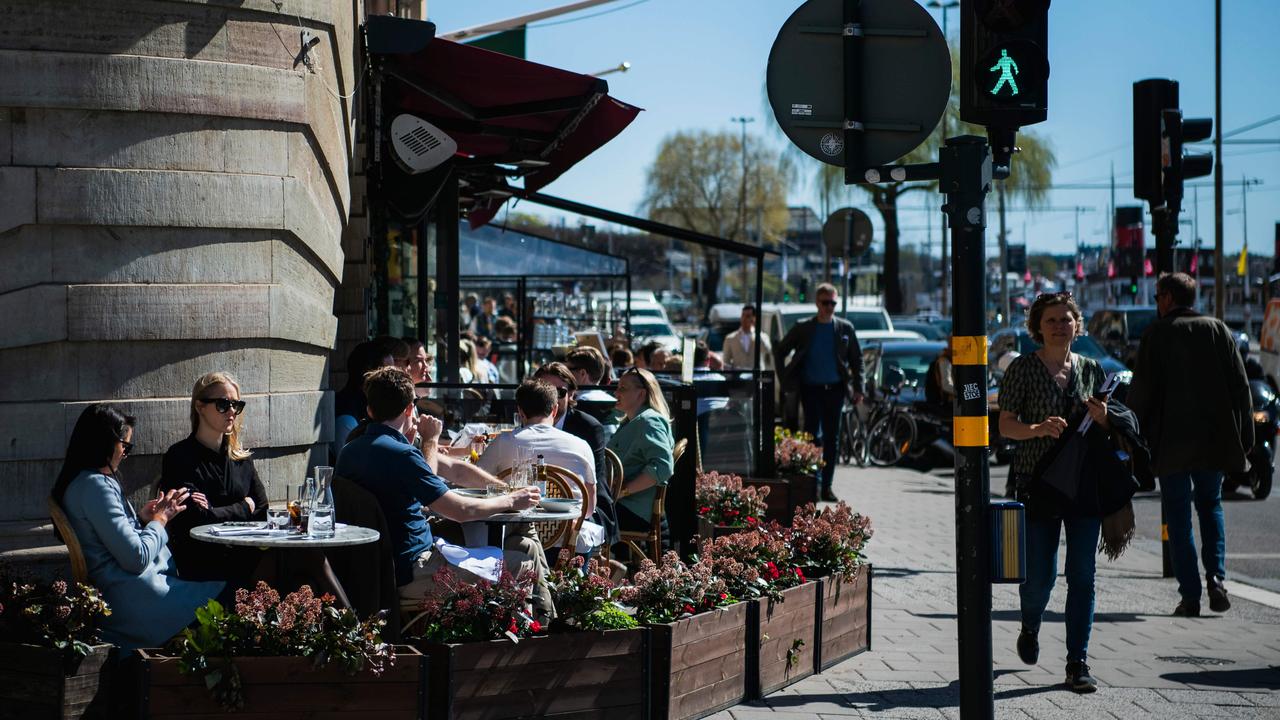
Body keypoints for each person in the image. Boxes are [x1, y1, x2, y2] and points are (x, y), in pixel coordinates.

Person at [335, 367, 551, 613]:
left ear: (369, 410)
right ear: (409, 409)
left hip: (373, 569)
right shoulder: (402, 454)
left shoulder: (349, 451)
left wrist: (505, 490)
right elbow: (460, 510)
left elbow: (455, 470)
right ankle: (533, 642)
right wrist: (511, 500)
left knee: (522, 548)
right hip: (414, 570)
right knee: (522, 563)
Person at [998, 292, 1109, 693]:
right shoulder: (1023, 370)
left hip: (1083, 486)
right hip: (1037, 483)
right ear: (1037, 328)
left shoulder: (1093, 370)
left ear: (1077, 325)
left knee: (1082, 575)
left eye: (1066, 319)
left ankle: (1077, 662)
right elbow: (1005, 426)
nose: (1060, 326)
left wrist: (1104, 418)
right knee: (1040, 577)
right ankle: (1030, 624)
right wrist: (1037, 429)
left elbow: (1107, 430)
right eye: (1051, 320)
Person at [1127, 272, 1252, 618]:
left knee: (1179, 518)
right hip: (1213, 441)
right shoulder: (1217, 330)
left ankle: (1190, 595)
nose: (1156, 304)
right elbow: (1241, 386)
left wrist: (1132, 440)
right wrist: (1246, 440)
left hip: (1171, 444)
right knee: (1210, 507)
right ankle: (1216, 578)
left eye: (1156, 297)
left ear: (1168, 297)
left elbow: (1141, 395)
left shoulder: (1157, 334)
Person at [53, 404, 223, 650]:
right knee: (231, 598)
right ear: (105, 443)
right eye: (125, 446)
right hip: (136, 601)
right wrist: (160, 520)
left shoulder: (82, 482)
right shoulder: (96, 486)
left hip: (128, 594)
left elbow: (107, 539)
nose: (125, 454)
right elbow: (136, 558)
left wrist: (141, 520)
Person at [159, 372, 269, 583]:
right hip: (204, 561)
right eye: (222, 404)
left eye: (236, 405)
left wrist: (215, 511)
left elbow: (263, 510)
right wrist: (244, 508)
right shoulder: (180, 457)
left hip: (244, 552)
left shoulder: (240, 458)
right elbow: (195, 519)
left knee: (300, 559)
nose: (231, 412)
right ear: (200, 406)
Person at [478, 380, 605, 556]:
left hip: (515, 543)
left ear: (520, 412)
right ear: (554, 409)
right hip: (568, 546)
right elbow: (589, 508)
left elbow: (477, 485)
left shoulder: (503, 442)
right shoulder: (581, 445)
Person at [774, 283, 864, 502]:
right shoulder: (803, 327)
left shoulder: (845, 328)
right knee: (812, 436)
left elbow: (857, 359)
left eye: (833, 303)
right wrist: (785, 378)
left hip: (835, 390)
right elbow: (780, 350)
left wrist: (859, 388)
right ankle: (812, 485)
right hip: (810, 389)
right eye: (826, 303)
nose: (830, 307)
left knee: (832, 439)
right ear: (817, 303)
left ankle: (827, 487)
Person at [533, 362, 618, 544]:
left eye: (560, 392)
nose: (552, 397)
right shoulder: (528, 422)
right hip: (535, 504)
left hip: (583, 504)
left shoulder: (587, 427)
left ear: (571, 394)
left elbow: (591, 479)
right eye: (544, 391)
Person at [608, 369, 675, 536]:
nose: (616, 392)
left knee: (579, 519)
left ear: (641, 393)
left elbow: (662, 467)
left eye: (623, 388)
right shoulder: (634, 420)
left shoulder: (649, 421)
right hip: (625, 506)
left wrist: (622, 491)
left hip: (633, 510)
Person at [334, 341, 392, 456]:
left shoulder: (371, 406)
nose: (393, 380)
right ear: (368, 375)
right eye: (388, 373)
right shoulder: (347, 418)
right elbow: (357, 466)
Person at [721, 305, 773, 371]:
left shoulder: (762, 336)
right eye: (743, 315)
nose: (744, 319)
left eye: (748, 316)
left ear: (754, 318)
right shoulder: (730, 338)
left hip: (756, 377)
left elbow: (767, 349)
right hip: (739, 378)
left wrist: (756, 329)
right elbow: (726, 361)